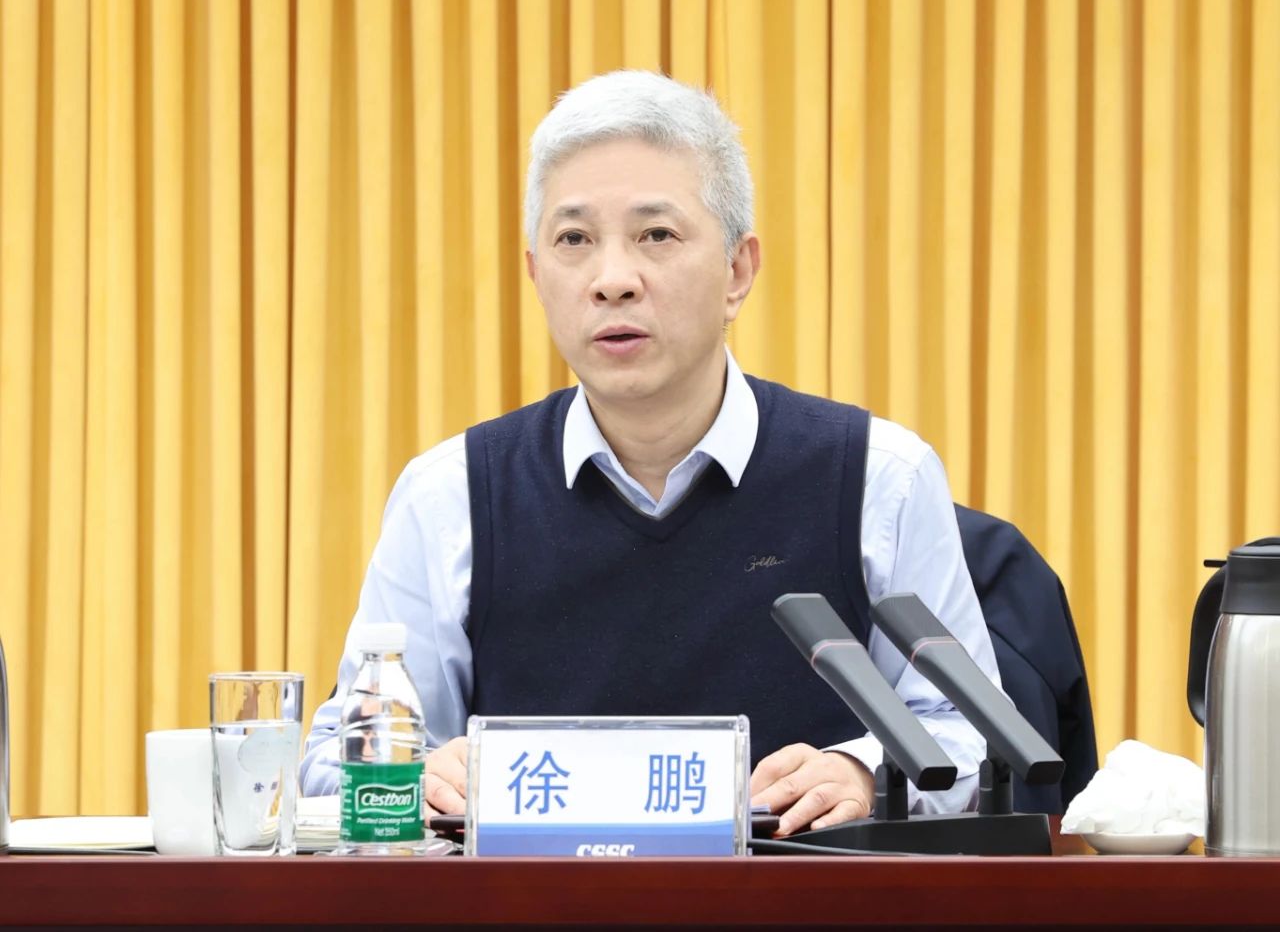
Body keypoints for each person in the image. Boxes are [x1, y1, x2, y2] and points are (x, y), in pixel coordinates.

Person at [300, 70, 1001, 836]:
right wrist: (412, 770)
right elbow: (332, 760)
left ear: (738, 271)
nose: (612, 281)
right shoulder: (450, 496)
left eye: (656, 236)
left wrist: (865, 770)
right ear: (536, 276)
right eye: (573, 240)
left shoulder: (879, 477)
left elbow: (972, 735)